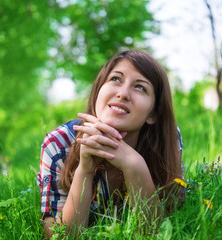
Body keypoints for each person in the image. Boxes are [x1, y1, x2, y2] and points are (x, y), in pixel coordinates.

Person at [37, 50, 184, 238]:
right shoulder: (58, 144)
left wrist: (134, 164)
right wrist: (85, 170)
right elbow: (57, 236)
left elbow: (157, 232)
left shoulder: (167, 138)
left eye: (140, 87)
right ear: (99, 89)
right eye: (116, 79)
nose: (123, 94)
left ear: (153, 114)